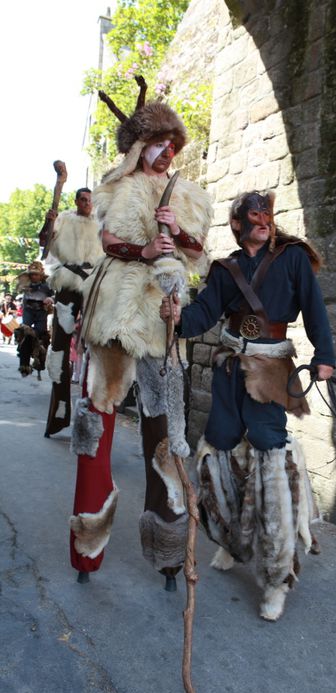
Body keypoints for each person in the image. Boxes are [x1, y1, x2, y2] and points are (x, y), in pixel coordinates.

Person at [161, 190, 335, 621]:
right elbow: (204, 313)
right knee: (219, 449)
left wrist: (324, 354)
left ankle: (277, 577)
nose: (264, 220)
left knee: (269, 452)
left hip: (271, 371)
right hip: (228, 369)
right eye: (254, 215)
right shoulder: (226, 269)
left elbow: (314, 308)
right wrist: (178, 316)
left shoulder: (292, 258)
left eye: (268, 214)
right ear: (237, 224)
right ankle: (231, 541)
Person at [70, 77, 212, 586]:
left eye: (172, 146)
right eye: (158, 144)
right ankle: (87, 548)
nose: (167, 153)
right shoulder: (118, 184)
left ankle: (169, 554)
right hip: (115, 314)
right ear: (141, 146)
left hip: (162, 321)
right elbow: (108, 238)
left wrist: (180, 232)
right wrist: (144, 249)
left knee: (165, 435)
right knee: (97, 428)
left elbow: (199, 255)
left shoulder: (190, 195)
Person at [40, 188, 104, 437]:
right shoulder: (64, 219)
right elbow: (45, 242)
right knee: (59, 348)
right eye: (83, 199)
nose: (87, 203)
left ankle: (93, 414)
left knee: (97, 344)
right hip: (67, 284)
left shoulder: (101, 223)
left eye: (90, 200)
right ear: (77, 201)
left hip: (93, 285)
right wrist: (49, 221)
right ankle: (59, 412)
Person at [15, 261, 53, 377]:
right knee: (25, 332)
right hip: (28, 310)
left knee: (41, 334)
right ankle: (24, 364)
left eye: (36, 274)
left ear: (41, 275)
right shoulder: (26, 283)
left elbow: (54, 295)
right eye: (32, 274)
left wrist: (50, 299)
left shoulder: (47, 285)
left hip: (41, 310)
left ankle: (40, 362)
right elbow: (18, 288)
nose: (34, 277)